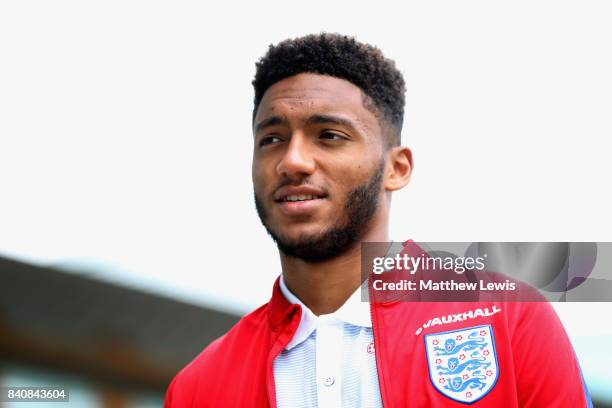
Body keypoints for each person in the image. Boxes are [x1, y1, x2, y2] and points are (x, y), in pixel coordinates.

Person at [164, 33, 592, 407]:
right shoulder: (198, 387)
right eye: (272, 139)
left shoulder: (508, 318)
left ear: (397, 168)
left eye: (329, 136)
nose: (292, 161)